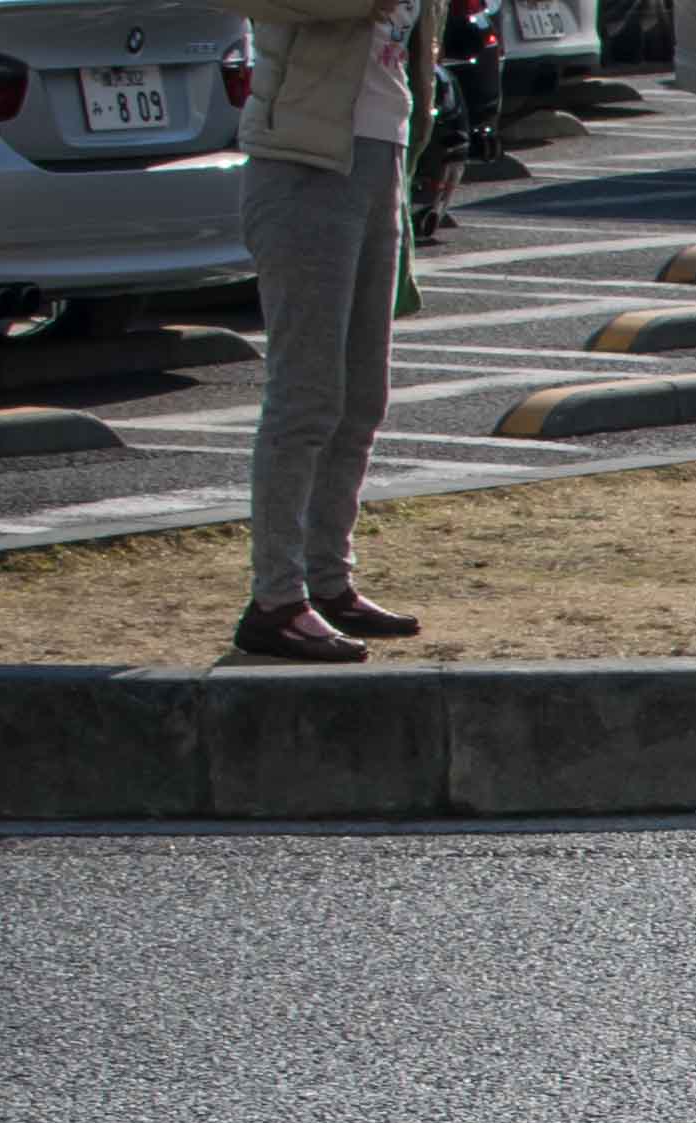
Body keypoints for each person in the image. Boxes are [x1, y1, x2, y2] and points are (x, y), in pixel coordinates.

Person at [228, 0, 428, 663]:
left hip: (382, 155)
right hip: (304, 162)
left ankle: (328, 579)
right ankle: (275, 600)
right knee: (306, 394)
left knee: (362, 393)